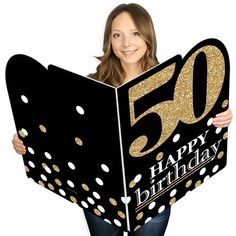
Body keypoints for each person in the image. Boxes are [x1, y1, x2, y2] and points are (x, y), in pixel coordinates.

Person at [12, 3, 233, 236]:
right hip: (101, 199)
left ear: (148, 37)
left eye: (135, 33)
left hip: (154, 197)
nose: (126, 43)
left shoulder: (172, 83)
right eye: (117, 35)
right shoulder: (90, 86)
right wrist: (28, 137)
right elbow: (62, 132)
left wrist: (219, 118)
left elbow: (193, 130)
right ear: (109, 41)